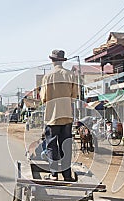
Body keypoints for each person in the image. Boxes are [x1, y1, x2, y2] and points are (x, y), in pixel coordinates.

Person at [40, 49, 78, 182]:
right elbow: (74, 96)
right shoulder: (70, 75)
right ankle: (67, 175)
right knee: (65, 146)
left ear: (52, 60)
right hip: (67, 115)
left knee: (51, 145)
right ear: (62, 61)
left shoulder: (47, 77)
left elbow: (43, 98)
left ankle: (54, 174)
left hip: (52, 117)